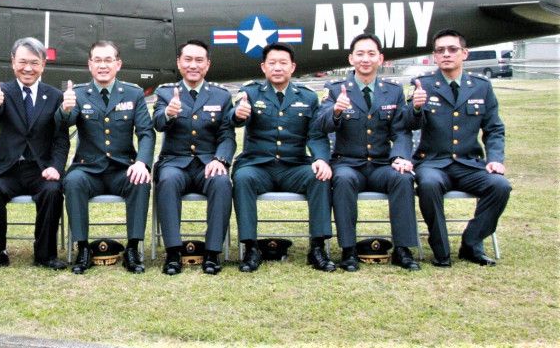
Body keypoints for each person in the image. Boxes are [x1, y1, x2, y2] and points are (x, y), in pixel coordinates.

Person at [316, 33, 420, 272]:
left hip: (382, 164)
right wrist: (336, 112)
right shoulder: (335, 89)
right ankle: (349, 249)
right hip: (348, 163)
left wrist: (401, 157)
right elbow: (322, 125)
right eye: (360, 54)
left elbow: (401, 130)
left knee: (403, 178)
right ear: (351, 58)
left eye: (371, 54)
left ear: (380, 59)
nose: (365, 59)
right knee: (342, 180)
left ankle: (403, 249)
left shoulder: (393, 91)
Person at [229, 42, 334, 273]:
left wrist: (321, 159)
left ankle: (317, 248)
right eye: (272, 63)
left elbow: (316, 135)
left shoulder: (307, 97)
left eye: (283, 63)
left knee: (320, 177)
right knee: (243, 178)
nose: (278, 68)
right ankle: (251, 248)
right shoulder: (251, 92)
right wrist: (238, 114)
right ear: (264, 67)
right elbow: (236, 117)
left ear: (293, 67)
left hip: (293, 167)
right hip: (258, 166)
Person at [410, 28, 510, 267]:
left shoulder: (480, 86)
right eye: (440, 50)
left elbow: (494, 128)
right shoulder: (423, 85)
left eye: (452, 49)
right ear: (434, 56)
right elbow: (407, 126)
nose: (446, 54)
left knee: (500, 186)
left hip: (468, 164)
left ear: (464, 53)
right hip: (432, 163)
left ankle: (472, 244)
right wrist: (414, 108)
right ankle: (441, 251)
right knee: (429, 185)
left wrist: (495, 158)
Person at [57, 40, 155, 274]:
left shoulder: (132, 93)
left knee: (140, 180)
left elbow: (146, 132)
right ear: (90, 65)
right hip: (88, 169)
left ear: (118, 64)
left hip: (122, 168)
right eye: (98, 60)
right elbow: (63, 124)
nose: (103, 65)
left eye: (108, 60)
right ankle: (82, 249)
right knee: (72, 182)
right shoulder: (78, 94)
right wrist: (66, 109)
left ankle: (132, 249)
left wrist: (142, 162)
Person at [0, 37, 69, 271]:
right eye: (22, 62)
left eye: (34, 62)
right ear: (12, 62)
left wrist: (56, 167)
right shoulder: (3, 90)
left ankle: (45, 253)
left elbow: (61, 139)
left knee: (52, 191)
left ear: (43, 65)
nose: (28, 68)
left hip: (40, 168)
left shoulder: (54, 96)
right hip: (7, 167)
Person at [152, 39, 235, 275]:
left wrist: (220, 160)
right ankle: (173, 253)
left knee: (221, 182)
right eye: (188, 59)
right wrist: (168, 113)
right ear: (179, 63)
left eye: (199, 60)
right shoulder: (166, 92)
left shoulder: (220, 95)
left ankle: (211, 253)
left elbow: (227, 135)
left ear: (207, 65)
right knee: (166, 182)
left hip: (208, 162)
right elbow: (157, 123)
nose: (193, 65)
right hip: (174, 162)